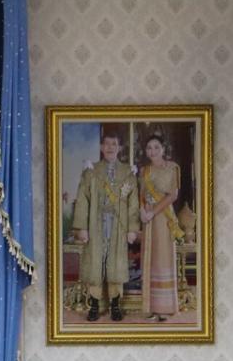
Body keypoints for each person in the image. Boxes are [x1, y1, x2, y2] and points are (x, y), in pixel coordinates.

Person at [70, 128, 139, 323]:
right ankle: (94, 304)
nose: (110, 148)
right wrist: (82, 227)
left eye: (114, 144)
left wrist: (132, 229)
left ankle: (115, 305)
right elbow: (82, 200)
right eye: (107, 144)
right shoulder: (91, 171)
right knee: (95, 263)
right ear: (101, 147)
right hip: (96, 224)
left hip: (118, 225)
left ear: (119, 148)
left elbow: (133, 203)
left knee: (116, 263)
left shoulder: (128, 173)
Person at [136, 132, 184, 321]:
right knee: (151, 259)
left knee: (163, 258)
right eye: (149, 148)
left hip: (163, 217)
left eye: (156, 147)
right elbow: (140, 194)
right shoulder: (144, 171)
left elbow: (173, 195)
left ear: (163, 149)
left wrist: (153, 212)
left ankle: (165, 308)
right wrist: (142, 211)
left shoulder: (172, 168)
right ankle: (152, 307)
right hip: (148, 219)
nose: (153, 151)